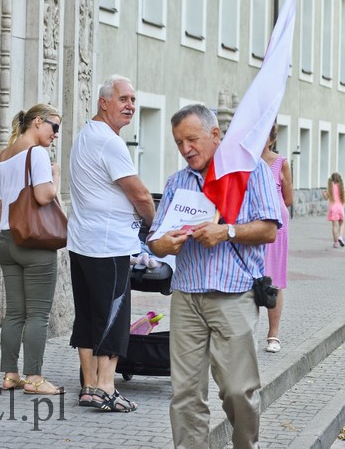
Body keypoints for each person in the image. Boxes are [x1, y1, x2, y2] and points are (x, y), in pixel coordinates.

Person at [148, 104, 281, 449]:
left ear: (215, 134)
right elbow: (154, 240)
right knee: (186, 394)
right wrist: (162, 244)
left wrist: (227, 232)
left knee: (239, 390)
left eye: (192, 139)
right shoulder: (177, 182)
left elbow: (269, 230)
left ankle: (245, 445)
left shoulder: (251, 171)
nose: (185, 148)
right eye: (178, 142)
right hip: (187, 297)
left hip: (233, 295)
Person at [67, 75, 156, 412]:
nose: (130, 106)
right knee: (113, 315)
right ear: (104, 102)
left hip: (82, 241)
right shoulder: (110, 142)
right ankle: (106, 387)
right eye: (123, 99)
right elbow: (140, 193)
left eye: (133, 100)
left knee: (88, 315)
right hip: (109, 245)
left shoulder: (85, 136)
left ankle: (89, 385)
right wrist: (154, 225)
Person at [0, 103, 63, 395]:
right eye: (53, 126)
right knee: (38, 315)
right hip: (34, 242)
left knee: (14, 313)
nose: (55, 134)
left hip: (7, 239)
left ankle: (10, 375)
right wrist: (55, 175)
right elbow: (44, 195)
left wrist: (10, 228)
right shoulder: (38, 154)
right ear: (36, 122)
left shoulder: (4, 155)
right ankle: (34, 379)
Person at [261, 124, 293, 353]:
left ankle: (273, 334)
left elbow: (288, 198)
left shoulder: (281, 163)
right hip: (248, 224)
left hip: (276, 224)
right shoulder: (243, 161)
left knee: (273, 279)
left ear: (271, 140)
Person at [323, 172, 345, 248]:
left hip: (333, 208)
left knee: (334, 226)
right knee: (342, 223)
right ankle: (340, 236)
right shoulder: (342, 188)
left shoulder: (330, 188)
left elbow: (326, 198)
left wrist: (323, 193)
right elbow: (344, 199)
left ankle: (336, 242)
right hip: (340, 208)